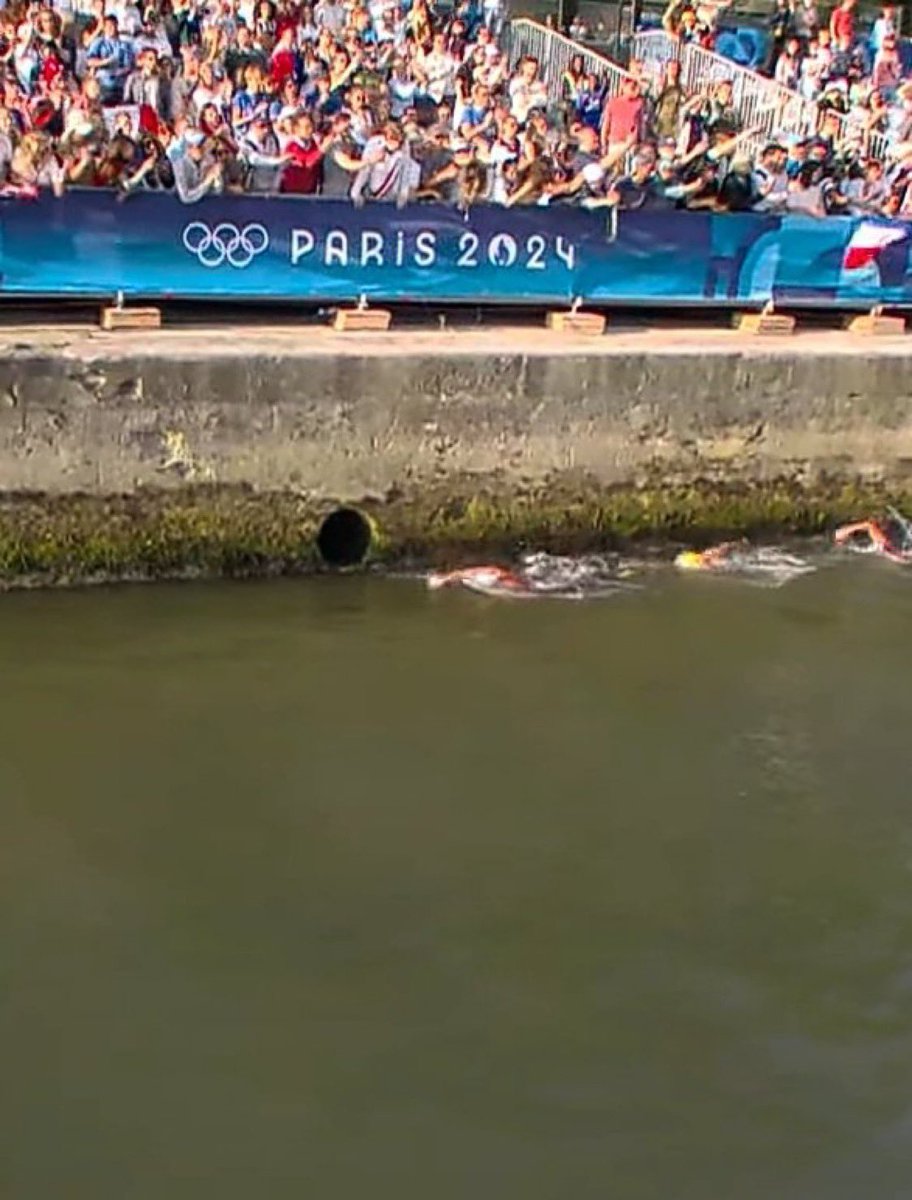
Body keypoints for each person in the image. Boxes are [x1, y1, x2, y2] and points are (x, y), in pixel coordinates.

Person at [172, 126, 222, 200]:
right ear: (189, 148)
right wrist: (206, 182)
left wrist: (216, 179)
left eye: (203, 143)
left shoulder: (209, 158)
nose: (204, 148)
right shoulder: (179, 164)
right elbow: (185, 197)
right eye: (200, 145)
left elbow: (217, 191)